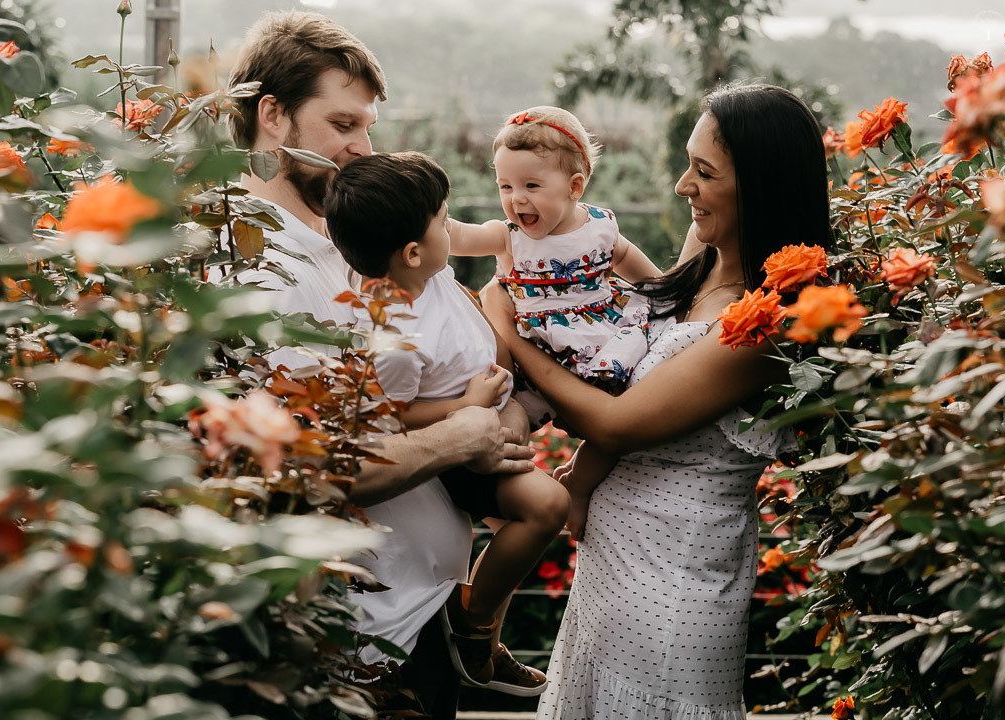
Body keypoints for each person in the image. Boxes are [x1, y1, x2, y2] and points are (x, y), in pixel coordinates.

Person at [480, 82, 832, 719]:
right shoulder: (707, 262)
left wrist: (510, 333)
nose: (680, 186)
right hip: (613, 569)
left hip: (677, 583)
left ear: (761, 183)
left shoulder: (762, 321)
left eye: (703, 171)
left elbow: (615, 424)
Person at [226, 11, 536, 717]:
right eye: (342, 126)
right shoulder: (251, 269)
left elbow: (464, 351)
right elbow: (308, 464)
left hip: (417, 610)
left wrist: (504, 413)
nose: (363, 148)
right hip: (340, 644)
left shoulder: (367, 231)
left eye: (367, 126)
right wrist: (456, 436)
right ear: (272, 116)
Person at [323, 151, 569, 695]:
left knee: (525, 524)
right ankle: (475, 625)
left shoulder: (431, 277)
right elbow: (392, 415)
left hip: (498, 410)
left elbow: (472, 303)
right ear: (412, 251)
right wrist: (467, 407)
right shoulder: (393, 336)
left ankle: (484, 632)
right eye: (442, 220)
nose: (450, 227)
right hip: (464, 444)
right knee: (548, 506)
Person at [449, 106, 662, 427]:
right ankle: (507, 466)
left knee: (612, 421)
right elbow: (462, 237)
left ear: (574, 187)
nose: (516, 199)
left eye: (531, 186)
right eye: (505, 186)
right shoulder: (509, 235)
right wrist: (423, 215)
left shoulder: (601, 226)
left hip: (603, 343)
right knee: (512, 418)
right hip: (536, 354)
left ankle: (576, 477)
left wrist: (669, 288)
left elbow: (638, 267)